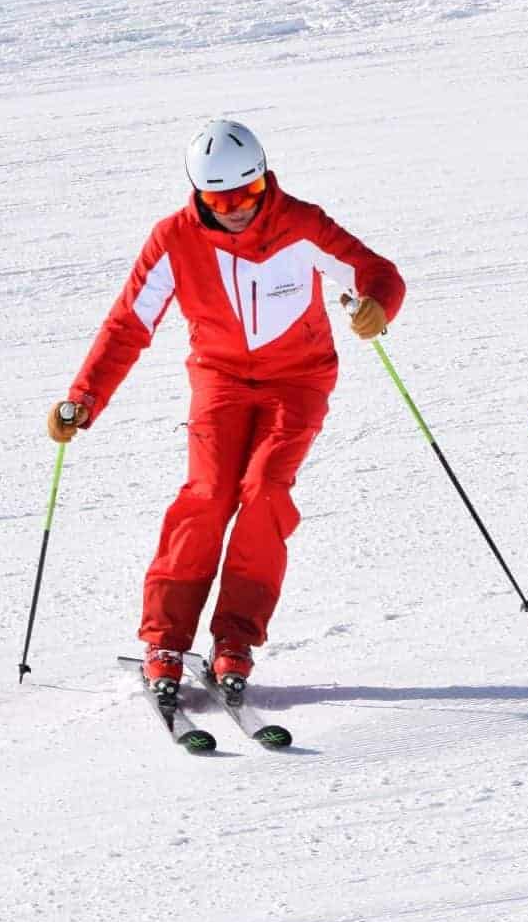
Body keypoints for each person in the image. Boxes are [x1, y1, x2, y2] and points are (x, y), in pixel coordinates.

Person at [45, 119, 405, 697]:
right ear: (198, 193)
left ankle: (234, 637)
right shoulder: (174, 239)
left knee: (264, 493)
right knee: (208, 495)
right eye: (221, 198)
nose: (237, 208)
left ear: (266, 181)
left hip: (298, 380)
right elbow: (129, 323)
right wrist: (84, 398)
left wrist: (377, 306)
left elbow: (376, 273)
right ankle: (165, 638)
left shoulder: (300, 223)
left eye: (250, 193)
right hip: (221, 381)